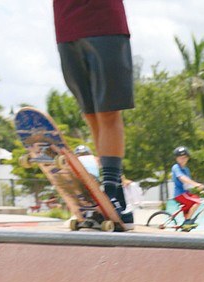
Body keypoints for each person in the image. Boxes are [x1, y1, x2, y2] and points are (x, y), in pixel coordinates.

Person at [53, 0, 135, 225]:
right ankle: (108, 198)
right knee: (90, 114)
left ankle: (111, 192)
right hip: (66, 27)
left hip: (104, 23)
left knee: (108, 111)